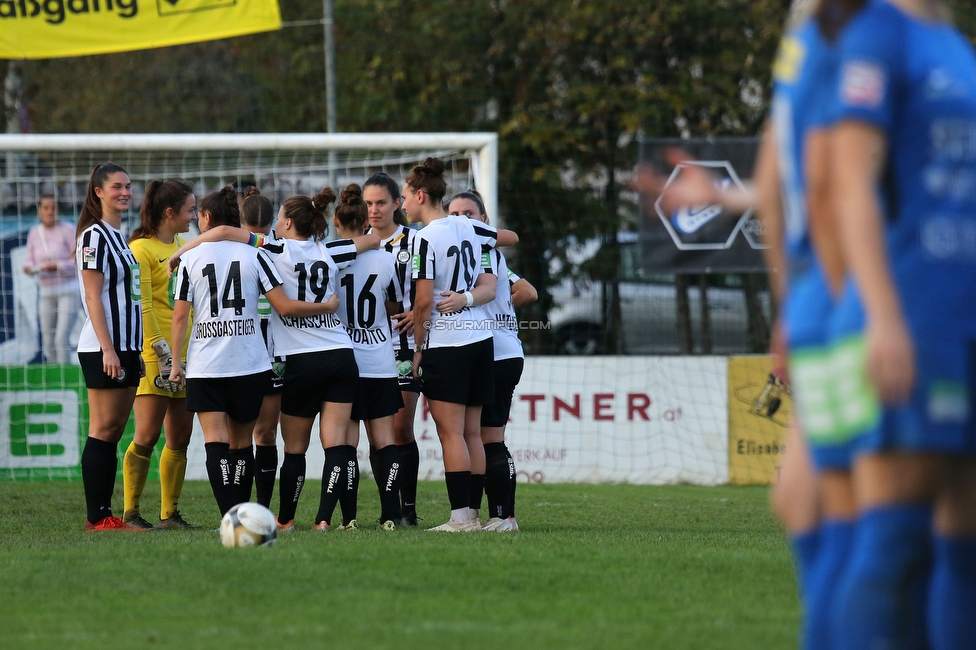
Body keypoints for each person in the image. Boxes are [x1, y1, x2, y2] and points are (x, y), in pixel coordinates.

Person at [828, 1, 976, 647]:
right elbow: (848, 183)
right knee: (897, 540)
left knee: (965, 546)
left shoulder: (951, 43)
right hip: (918, 317)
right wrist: (884, 318)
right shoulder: (878, 33)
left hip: (963, 310)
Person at [171, 187, 379, 530]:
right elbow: (369, 243)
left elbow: (223, 233)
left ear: (287, 222)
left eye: (280, 219)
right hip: (341, 354)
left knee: (290, 448)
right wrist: (395, 233)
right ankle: (325, 519)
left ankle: (281, 518)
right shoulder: (329, 250)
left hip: (293, 357)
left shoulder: (273, 248)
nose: (275, 225)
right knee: (337, 442)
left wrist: (183, 252)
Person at [405, 157, 500, 532]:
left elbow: (424, 301)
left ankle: (460, 518)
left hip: (448, 342)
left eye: (405, 197)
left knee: (451, 432)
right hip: (481, 337)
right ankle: (473, 516)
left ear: (421, 195)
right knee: (472, 432)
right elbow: (494, 254)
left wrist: (417, 350)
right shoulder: (466, 224)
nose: (403, 205)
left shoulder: (423, 238)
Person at [448, 189, 538, 532]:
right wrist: (503, 310)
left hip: (496, 353)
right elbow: (527, 291)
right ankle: (480, 514)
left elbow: (526, 292)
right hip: (496, 351)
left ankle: (504, 515)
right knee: (478, 436)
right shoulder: (486, 255)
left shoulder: (479, 253)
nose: (461, 219)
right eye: (454, 213)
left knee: (488, 437)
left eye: (468, 213)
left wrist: (493, 314)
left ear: (484, 220)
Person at [122, 180, 198, 530]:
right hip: (157, 354)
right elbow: (143, 304)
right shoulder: (141, 249)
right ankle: (131, 512)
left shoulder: (185, 246)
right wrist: (159, 347)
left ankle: (170, 514)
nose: (193, 216)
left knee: (180, 436)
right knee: (148, 434)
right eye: (189, 210)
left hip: (186, 354)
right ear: (170, 213)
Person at [75, 163, 145, 531]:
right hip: (105, 346)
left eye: (128, 186)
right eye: (116, 186)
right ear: (98, 192)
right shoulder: (94, 237)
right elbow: (92, 295)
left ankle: (105, 514)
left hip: (127, 346)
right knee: (102, 429)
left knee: (115, 429)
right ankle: (97, 517)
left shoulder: (120, 237)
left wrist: (134, 347)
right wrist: (108, 348)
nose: (124, 192)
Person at [334, 183, 405, 530]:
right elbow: (395, 304)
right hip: (379, 360)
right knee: (385, 440)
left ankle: (349, 518)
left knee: (346, 442)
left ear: (336, 221)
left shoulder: (326, 257)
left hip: (345, 361)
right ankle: (391, 514)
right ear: (367, 223)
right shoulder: (386, 259)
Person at [364, 171, 423, 525]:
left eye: (381, 202)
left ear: (397, 204)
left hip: (405, 347)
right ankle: (389, 510)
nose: (374, 210)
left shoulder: (415, 243)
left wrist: (420, 323)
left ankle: (409, 510)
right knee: (377, 434)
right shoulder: (357, 244)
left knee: (401, 430)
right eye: (369, 203)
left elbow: (428, 292)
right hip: (368, 349)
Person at [240, 186, 283, 509]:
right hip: (240, 351)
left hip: (272, 353)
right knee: (250, 435)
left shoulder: (283, 250)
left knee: (264, 433)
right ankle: (239, 506)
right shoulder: (228, 249)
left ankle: (263, 508)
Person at [23, 195, 79, 364]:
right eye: (45, 207)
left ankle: (65, 375)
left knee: (61, 337)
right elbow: (30, 259)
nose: (49, 211)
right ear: (39, 211)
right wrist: (29, 268)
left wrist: (58, 266)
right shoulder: (34, 233)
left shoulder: (68, 230)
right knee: (48, 338)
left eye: (53, 207)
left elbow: (77, 259)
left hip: (68, 289)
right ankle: (54, 373)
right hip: (46, 290)